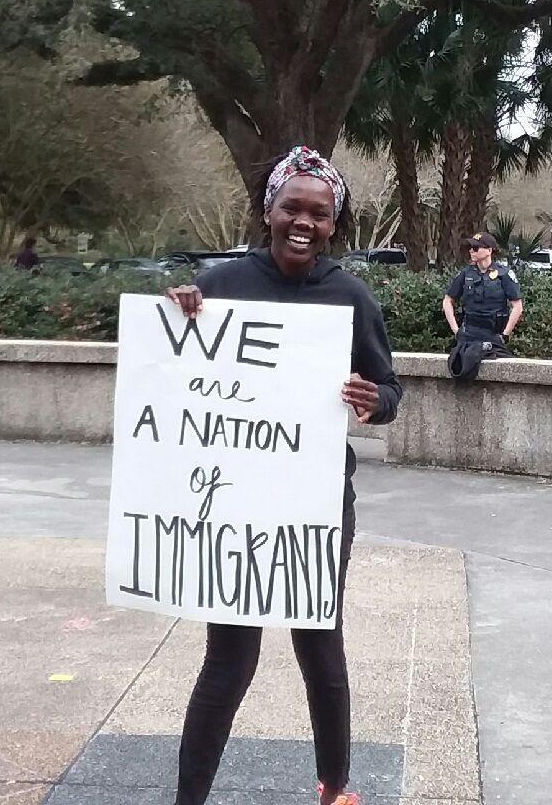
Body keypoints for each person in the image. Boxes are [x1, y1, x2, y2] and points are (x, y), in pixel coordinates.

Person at [164, 147, 401, 805]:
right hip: (235, 502)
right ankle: (189, 798)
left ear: (334, 224)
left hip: (316, 499)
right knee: (229, 659)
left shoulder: (350, 295)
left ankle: (335, 788)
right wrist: (178, 316)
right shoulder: (218, 285)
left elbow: (390, 389)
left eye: (319, 214)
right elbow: (176, 373)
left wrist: (372, 399)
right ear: (267, 210)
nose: (304, 222)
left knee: (320, 651)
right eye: (291, 207)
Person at [443, 233, 523, 348]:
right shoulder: (466, 273)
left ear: (489, 251)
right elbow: (448, 300)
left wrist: (505, 335)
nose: (471, 251)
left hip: (494, 335)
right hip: (468, 335)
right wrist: (456, 330)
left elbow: (517, 306)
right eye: (470, 248)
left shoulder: (504, 274)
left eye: (475, 248)